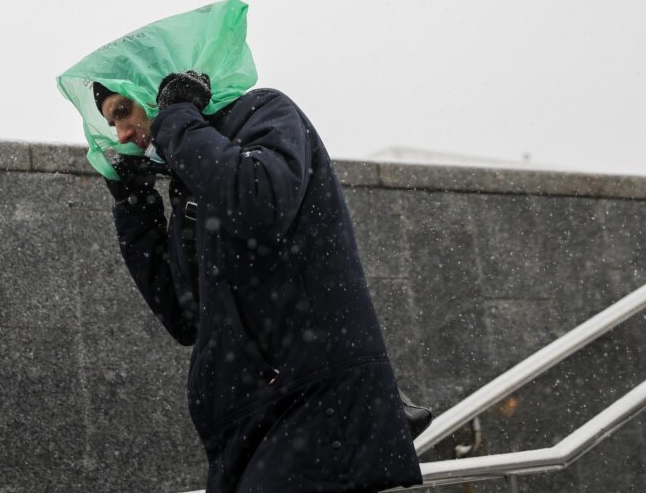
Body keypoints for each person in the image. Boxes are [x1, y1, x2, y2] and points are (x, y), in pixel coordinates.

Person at [95, 70, 426, 493]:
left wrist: (176, 116)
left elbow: (260, 201)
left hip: (313, 408)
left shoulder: (264, 111)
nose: (122, 133)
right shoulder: (191, 177)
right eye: (111, 123)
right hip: (246, 424)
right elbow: (183, 314)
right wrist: (135, 203)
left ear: (154, 90)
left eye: (123, 111)